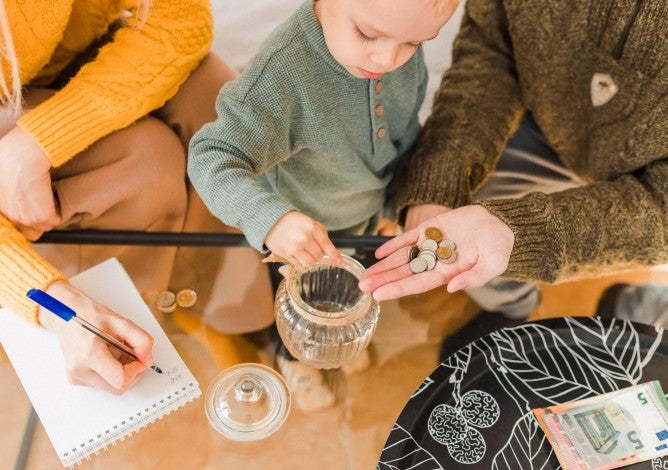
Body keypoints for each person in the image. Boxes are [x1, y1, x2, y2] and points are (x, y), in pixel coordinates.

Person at [359, 0, 667, 329]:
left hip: (650, 176)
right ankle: (515, 307)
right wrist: (444, 168)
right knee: (471, 234)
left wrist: (526, 235)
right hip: (544, 119)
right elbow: (492, 43)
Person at [0, 0, 245, 393]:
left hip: (68, 57)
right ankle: (122, 324)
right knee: (147, 159)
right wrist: (51, 300)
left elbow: (182, 20)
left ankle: (206, 306)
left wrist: (39, 142)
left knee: (217, 101)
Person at [188, 0, 461, 267]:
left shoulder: (401, 39)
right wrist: (271, 220)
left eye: (415, 43)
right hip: (296, 241)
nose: (388, 60)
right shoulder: (282, 73)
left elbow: (405, 138)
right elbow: (211, 155)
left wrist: (392, 207)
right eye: (368, 34)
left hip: (371, 224)